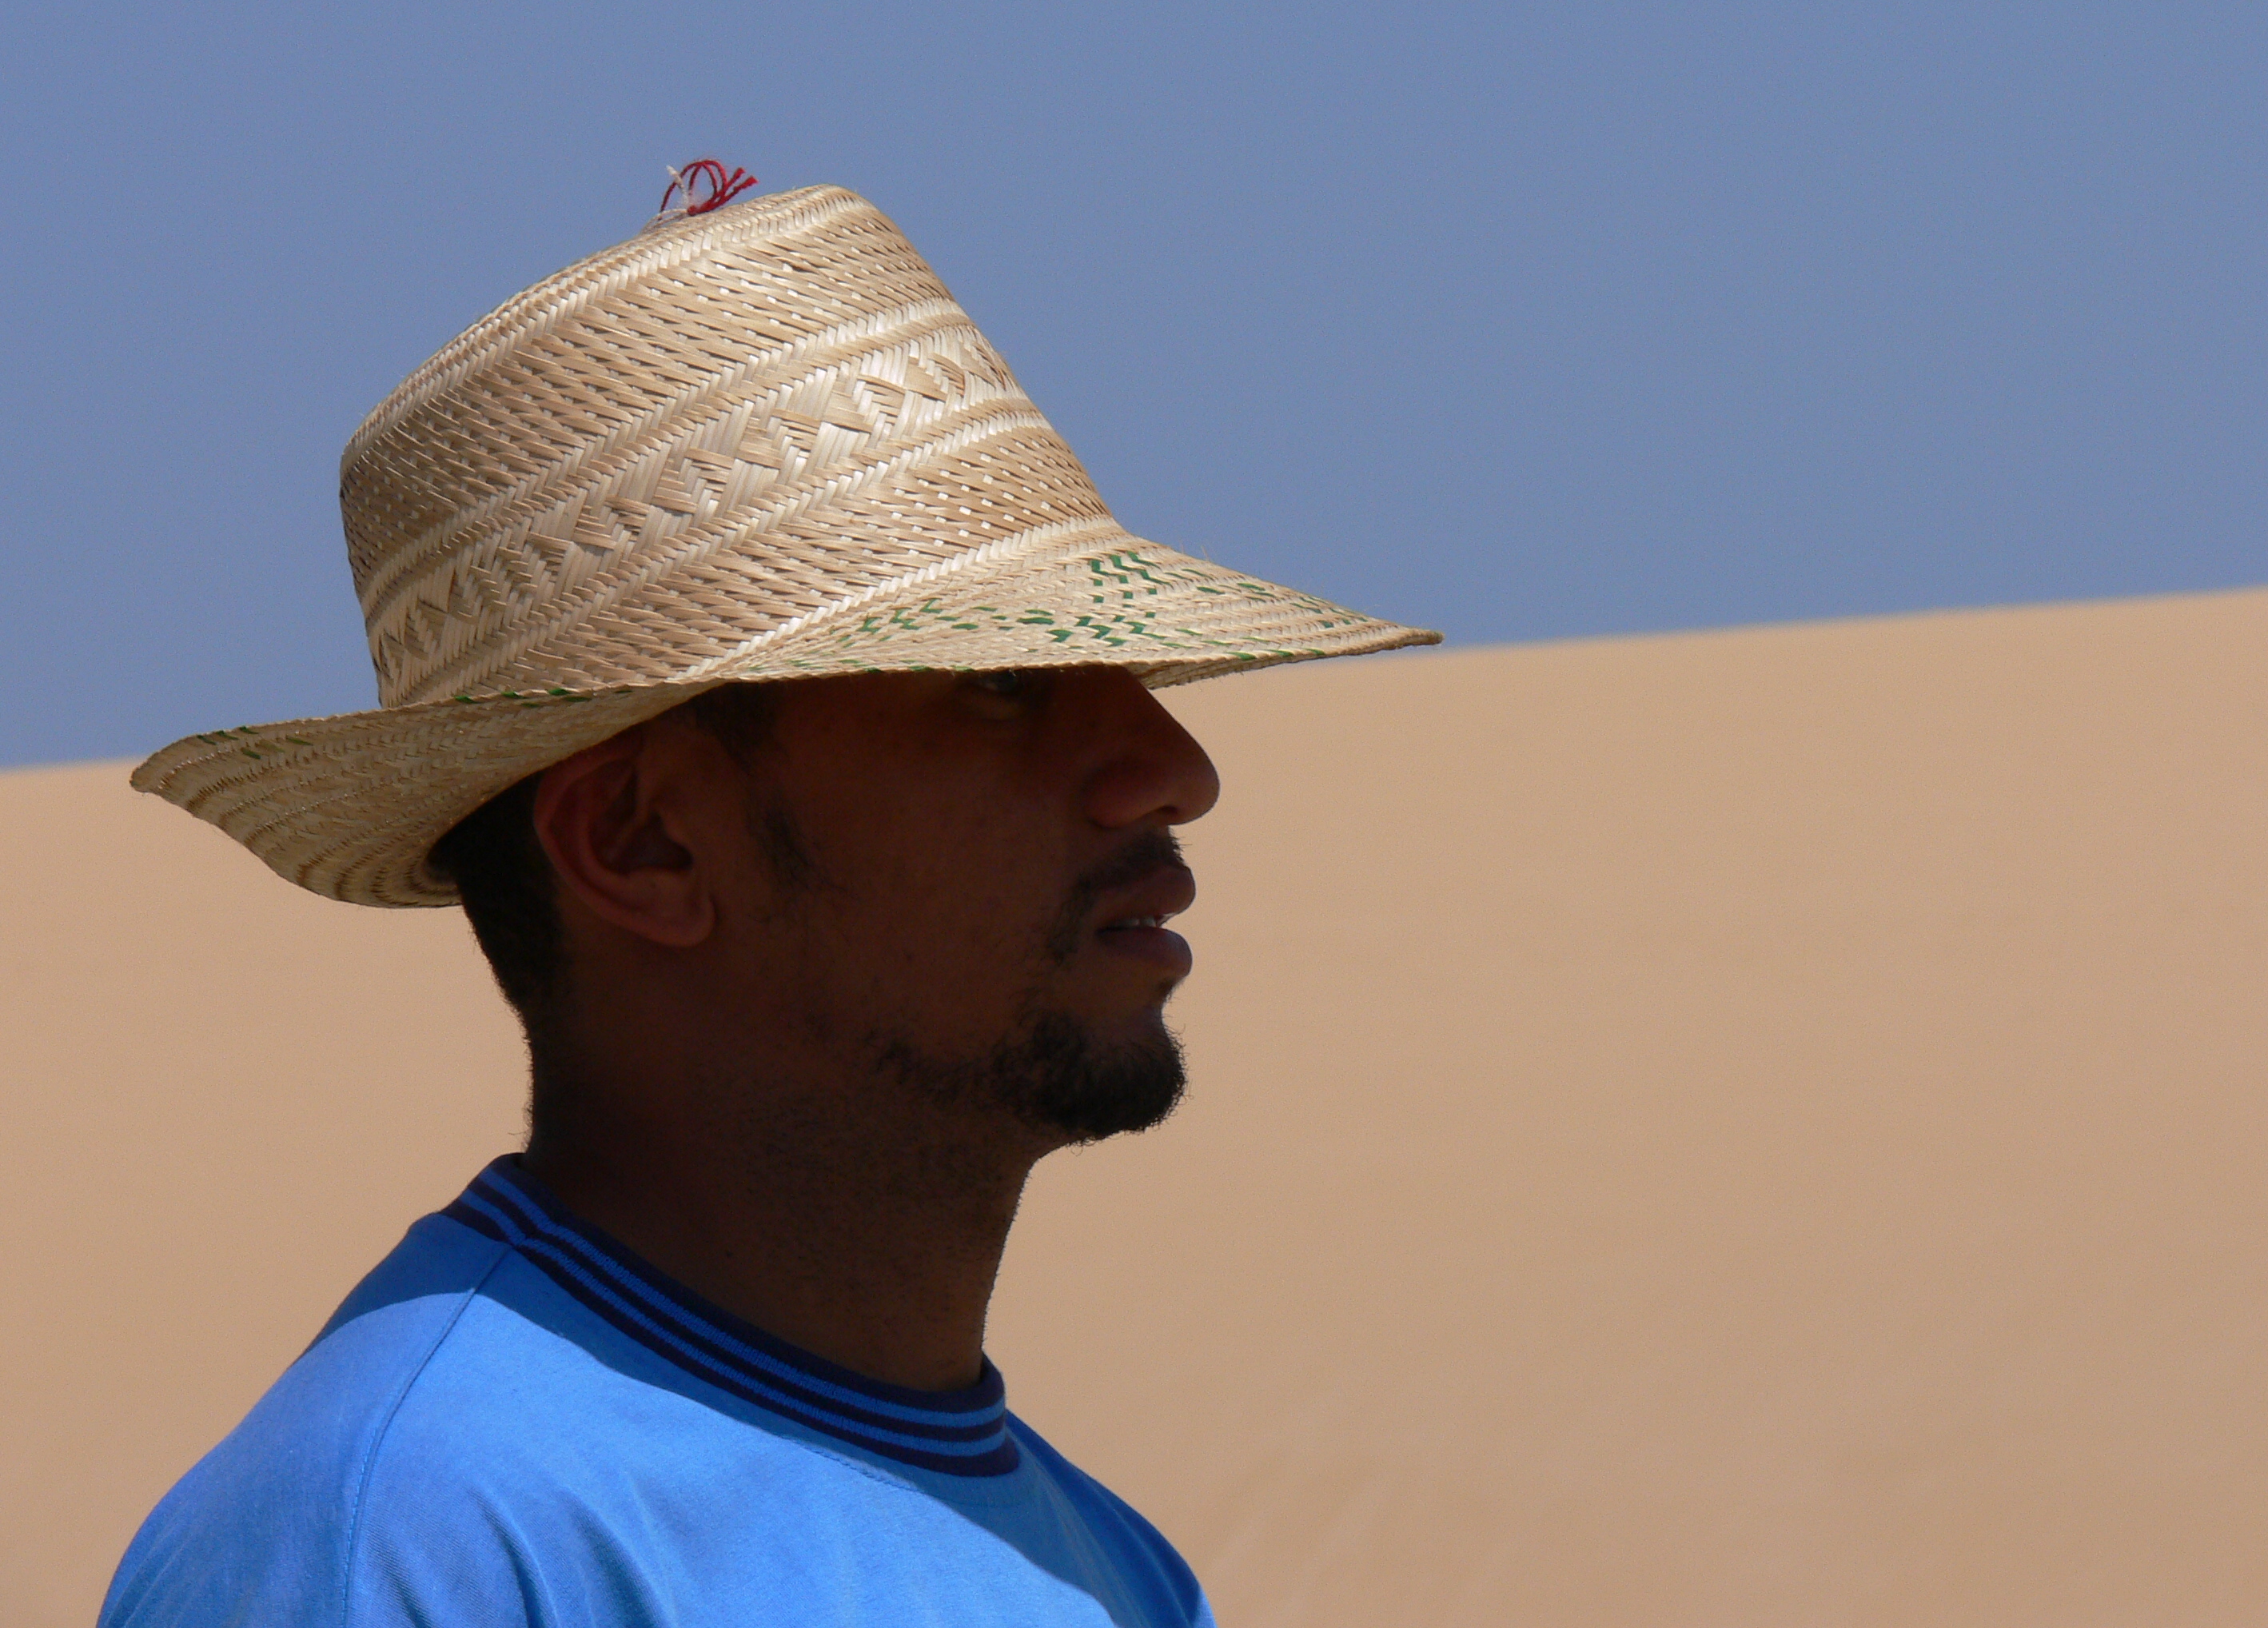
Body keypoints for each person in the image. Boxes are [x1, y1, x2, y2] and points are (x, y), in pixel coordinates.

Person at [102, 170, 1435, 1626]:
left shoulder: (1113, 1573)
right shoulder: (405, 1544)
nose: (1173, 770)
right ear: (645, 843)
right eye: (1003, 683)